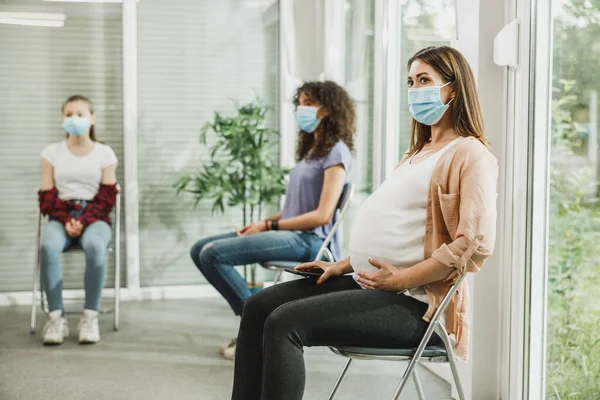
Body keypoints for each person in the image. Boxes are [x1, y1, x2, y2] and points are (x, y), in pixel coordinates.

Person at [231, 46, 498, 400]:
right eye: (410, 81)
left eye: (425, 80)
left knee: (284, 323)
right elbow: (400, 225)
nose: (415, 89)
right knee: (258, 306)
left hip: (412, 303)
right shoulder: (416, 153)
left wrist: (400, 279)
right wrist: (341, 264)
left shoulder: (470, 153)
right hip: (369, 282)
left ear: (453, 88)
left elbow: (474, 243)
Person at [190, 81, 355, 360]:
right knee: (200, 249)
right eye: (299, 104)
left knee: (213, 255)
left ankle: (254, 329)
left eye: (307, 103)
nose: (300, 110)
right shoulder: (313, 151)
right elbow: (297, 207)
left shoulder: (336, 152)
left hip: (309, 240)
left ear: (327, 110)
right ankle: (256, 327)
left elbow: (322, 215)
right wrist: (265, 222)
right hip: (291, 233)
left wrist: (269, 227)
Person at [38, 95, 119, 345]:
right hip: (61, 216)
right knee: (48, 246)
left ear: (91, 118)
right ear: (62, 119)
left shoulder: (105, 153)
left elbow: (107, 196)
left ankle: (90, 316)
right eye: (69, 114)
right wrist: (67, 221)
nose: (74, 119)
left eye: (80, 114)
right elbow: (47, 196)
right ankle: (55, 318)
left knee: (96, 246)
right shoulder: (51, 153)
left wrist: (82, 220)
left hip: (95, 218)